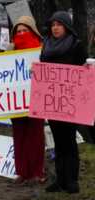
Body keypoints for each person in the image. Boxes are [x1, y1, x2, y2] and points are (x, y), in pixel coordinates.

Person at [40, 11, 88, 193]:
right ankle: (60, 180)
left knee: (69, 141)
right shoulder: (46, 45)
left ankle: (72, 181)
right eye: (53, 25)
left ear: (66, 27)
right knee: (57, 142)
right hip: (52, 101)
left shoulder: (76, 46)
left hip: (70, 101)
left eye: (59, 24)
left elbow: (85, 71)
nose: (55, 28)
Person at [9, 16, 45, 183]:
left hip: (36, 99)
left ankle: (36, 171)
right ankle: (22, 172)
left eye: (25, 30)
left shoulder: (42, 50)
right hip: (15, 101)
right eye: (18, 31)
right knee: (19, 136)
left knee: (36, 136)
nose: (22, 34)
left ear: (32, 31)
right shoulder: (9, 51)